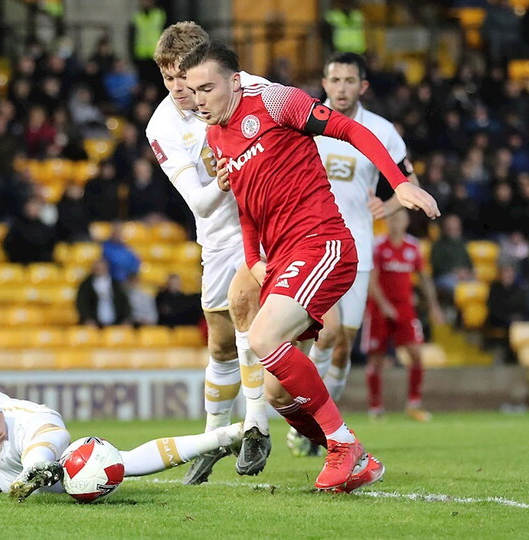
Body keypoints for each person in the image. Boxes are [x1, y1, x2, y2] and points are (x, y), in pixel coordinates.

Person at [182, 41, 439, 491]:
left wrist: (399, 185)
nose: (199, 99)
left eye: (207, 88)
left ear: (235, 81)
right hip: (280, 257)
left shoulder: (278, 101)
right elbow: (246, 204)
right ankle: (354, 454)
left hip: (322, 242)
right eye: (192, 90)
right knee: (280, 391)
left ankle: (343, 447)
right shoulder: (216, 136)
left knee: (263, 338)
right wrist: (253, 258)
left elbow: (351, 132)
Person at [0, 306, 244, 498]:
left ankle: (224, 436)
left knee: (107, 466)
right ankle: (38, 464)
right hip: (5, 429)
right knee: (46, 420)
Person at [146, 21, 270, 484]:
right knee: (221, 344)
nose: (178, 88)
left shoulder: (253, 89)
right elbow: (197, 201)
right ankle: (214, 438)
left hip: (269, 223)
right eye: (168, 78)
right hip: (219, 234)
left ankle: (258, 425)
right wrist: (222, 180)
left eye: (184, 76)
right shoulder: (161, 124)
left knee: (252, 322)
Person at [293, 52, 423, 455]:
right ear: (325, 83)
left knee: (344, 345)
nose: (343, 87)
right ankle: (308, 424)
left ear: (362, 86)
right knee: (318, 335)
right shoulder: (305, 122)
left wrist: (391, 205)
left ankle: (316, 421)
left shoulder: (381, 130)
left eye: (351, 80)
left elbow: (409, 181)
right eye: (336, 80)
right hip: (310, 244)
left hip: (357, 249)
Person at [361, 210, 444, 422]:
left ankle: (414, 404)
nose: (396, 222)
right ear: (386, 221)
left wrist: (434, 306)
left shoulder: (413, 247)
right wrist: (384, 304)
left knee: (417, 355)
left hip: (405, 308)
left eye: (399, 218)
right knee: (376, 359)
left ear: (406, 221)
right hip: (379, 308)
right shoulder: (378, 245)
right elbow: (371, 280)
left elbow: (424, 278)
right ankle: (376, 408)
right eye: (392, 218)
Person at [75, 259, 131, 327]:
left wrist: (125, 319)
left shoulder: (115, 284)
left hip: (116, 322)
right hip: (94, 323)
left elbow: (124, 302)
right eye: (97, 268)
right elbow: (82, 303)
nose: (100, 270)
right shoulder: (86, 285)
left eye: (102, 267)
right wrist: (87, 319)